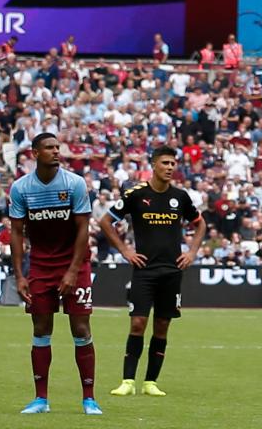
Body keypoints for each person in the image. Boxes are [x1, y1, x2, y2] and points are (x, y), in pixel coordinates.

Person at [9, 133, 102, 415]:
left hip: (75, 264)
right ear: (35, 153)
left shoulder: (74, 184)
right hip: (40, 266)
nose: (56, 151)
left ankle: (89, 399)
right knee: (40, 329)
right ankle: (41, 399)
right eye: (49, 148)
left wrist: (73, 271)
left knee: (81, 329)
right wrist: (20, 275)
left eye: (58, 147)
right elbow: (16, 232)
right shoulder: (21, 188)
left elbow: (83, 228)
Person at [101, 146, 206, 398]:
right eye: (165, 163)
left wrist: (191, 252)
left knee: (162, 326)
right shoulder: (135, 194)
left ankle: (151, 382)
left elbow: (200, 223)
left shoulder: (180, 196)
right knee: (138, 323)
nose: (170, 167)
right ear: (154, 165)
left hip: (172, 271)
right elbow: (106, 221)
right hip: (144, 271)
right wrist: (126, 251)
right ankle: (127, 380)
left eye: (173, 163)